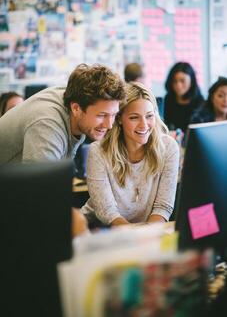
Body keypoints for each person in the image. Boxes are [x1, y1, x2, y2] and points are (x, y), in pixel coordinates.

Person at [81, 82, 179, 226]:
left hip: (146, 233)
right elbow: (107, 212)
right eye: (134, 117)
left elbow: (162, 207)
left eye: (149, 116)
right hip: (101, 229)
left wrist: (147, 237)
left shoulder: (169, 147)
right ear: (119, 119)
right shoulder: (99, 151)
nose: (144, 125)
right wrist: (138, 239)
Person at [0, 63, 125, 165]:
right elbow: (38, 189)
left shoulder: (75, 99)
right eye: (101, 115)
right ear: (76, 108)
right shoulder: (47, 124)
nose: (109, 125)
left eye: (113, 115)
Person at [164, 62, 204, 133]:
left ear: (191, 81)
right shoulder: (168, 99)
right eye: (174, 81)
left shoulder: (200, 102)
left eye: (182, 81)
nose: (178, 85)